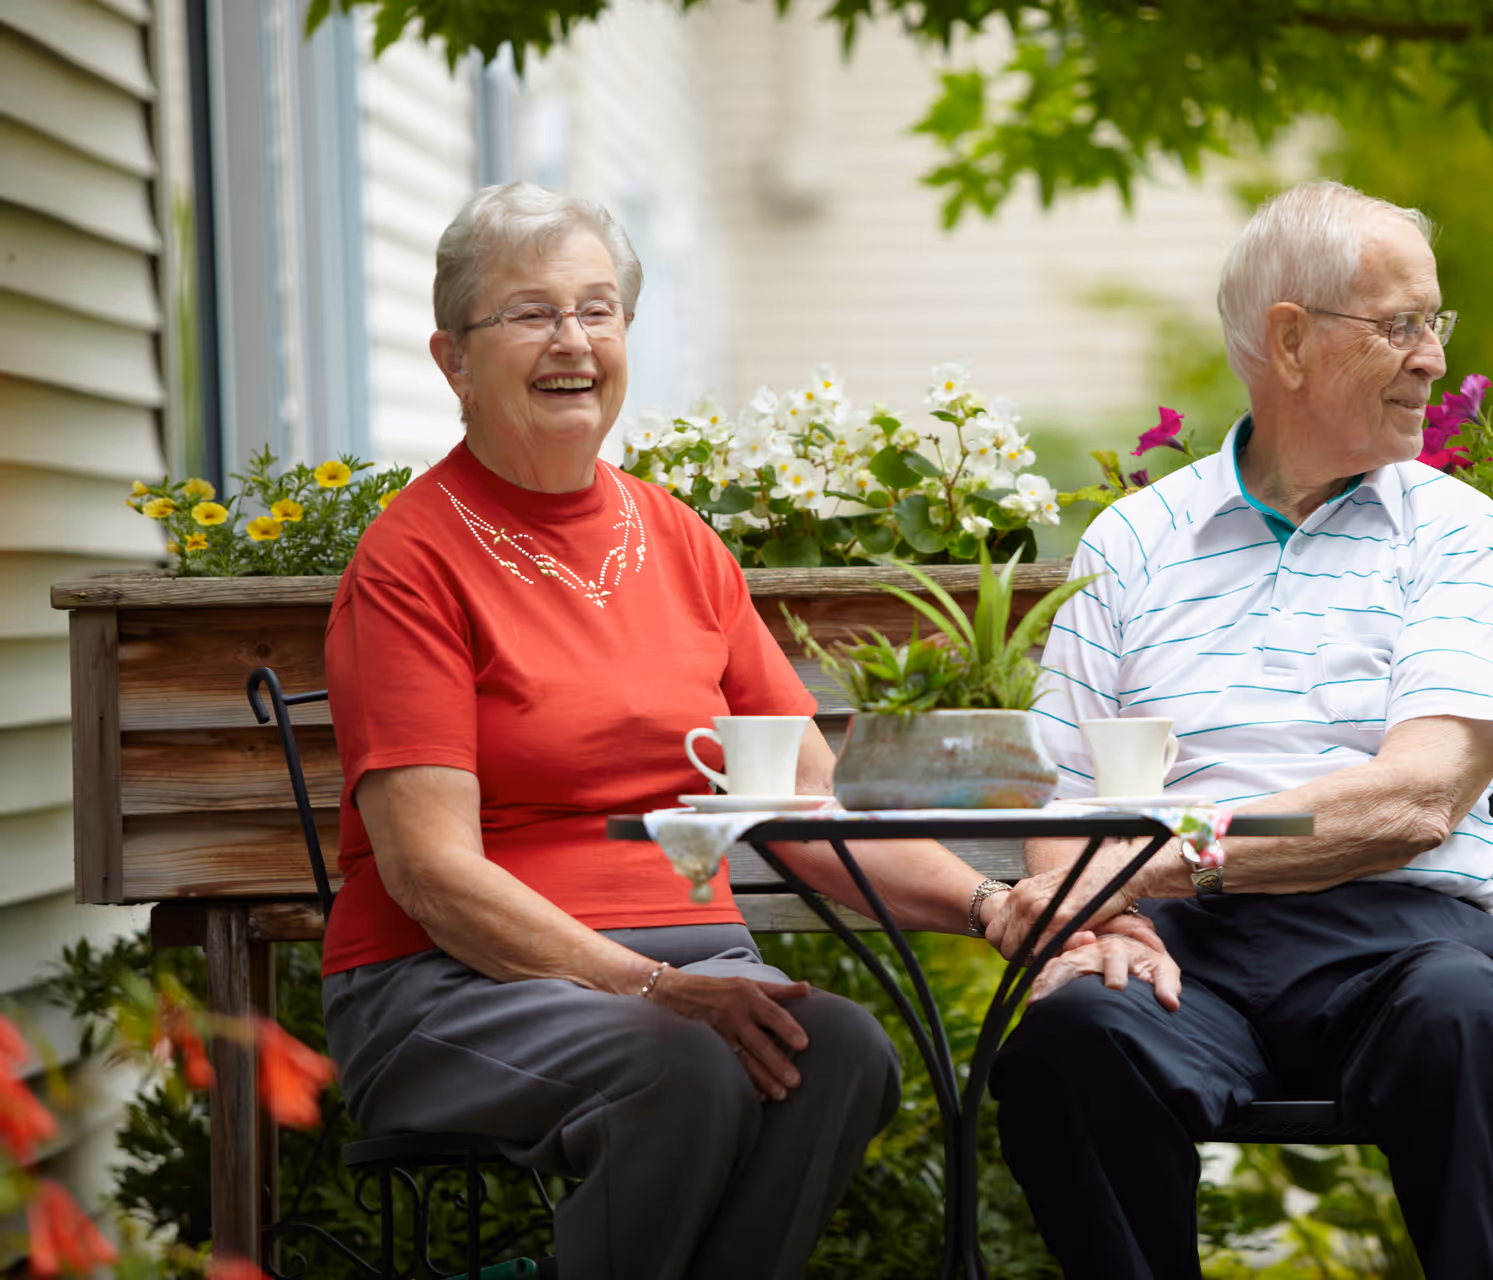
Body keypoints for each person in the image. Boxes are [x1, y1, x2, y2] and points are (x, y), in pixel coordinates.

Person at [319, 181, 1059, 1280]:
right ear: (451, 359)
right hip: (454, 988)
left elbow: (805, 807)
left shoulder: (679, 541)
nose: (573, 341)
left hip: (682, 973)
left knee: (842, 1050)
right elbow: (432, 875)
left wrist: (991, 903)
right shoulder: (412, 561)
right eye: (530, 313)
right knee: (685, 1064)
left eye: (598, 308)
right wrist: (653, 987)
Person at [986, 181, 1493, 1279]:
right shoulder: (1136, 542)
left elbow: (1416, 797)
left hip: (1398, 944)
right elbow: (1067, 801)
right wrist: (1088, 918)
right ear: (1290, 341)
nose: (1433, 357)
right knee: (1071, 1041)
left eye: (1435, 323)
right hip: (1183, 951)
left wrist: (1177, 853)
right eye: (1401, 325)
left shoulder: (1455, 534)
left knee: (1473, 1021)